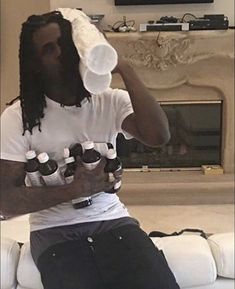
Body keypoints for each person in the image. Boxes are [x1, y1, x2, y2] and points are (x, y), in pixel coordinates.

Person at [0, 11, 179, 289]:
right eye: (49, 49)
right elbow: (5, 201)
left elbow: (159, 136)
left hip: (113, 221)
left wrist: (124, 67)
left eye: (65, 43)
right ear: (35, 64)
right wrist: (75, 190)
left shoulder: (110, 101)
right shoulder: (17, 118)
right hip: (53, 232)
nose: (61, 53)